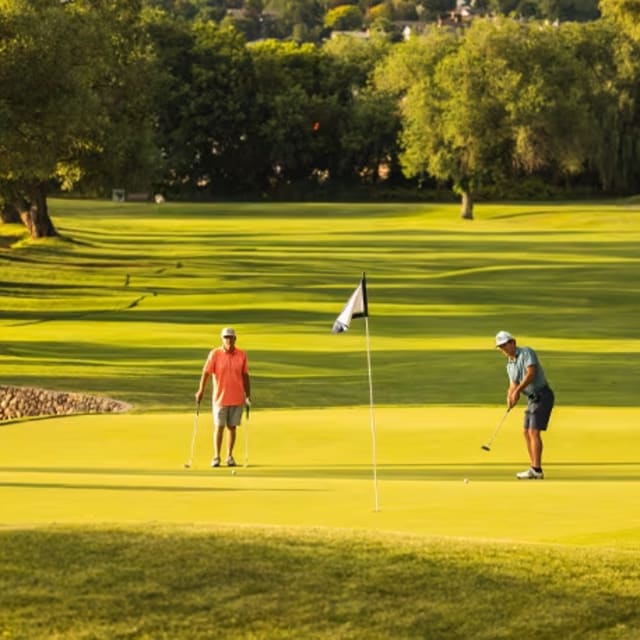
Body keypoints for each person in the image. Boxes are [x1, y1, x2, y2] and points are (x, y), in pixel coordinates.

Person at [495, 331, 555, 480]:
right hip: (532, 399)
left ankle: (537, 469)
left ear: (513, 342)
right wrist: (510, 397)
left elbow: (531, 374)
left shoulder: (527, 352)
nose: (503, 349)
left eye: (505, 345)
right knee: (525, 431)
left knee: (533, 432)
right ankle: (533, 467)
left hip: (543, 395)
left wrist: (517, 391)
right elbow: (513, 384)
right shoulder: (510, 365)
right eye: (500, 347)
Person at [195, 327, 251, 468]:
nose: (228, 340)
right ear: (222, 339)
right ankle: (216, 457)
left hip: (237, 397)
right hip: (220, 398)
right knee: (219, 427)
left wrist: (248, 395)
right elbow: (206, 373)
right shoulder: (215, 354)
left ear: (235, 339)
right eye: (226, 337)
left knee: (232, 427)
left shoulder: (242, 355)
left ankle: (229, 456)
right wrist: (201, 390)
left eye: (230, 337)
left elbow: (245, 375)